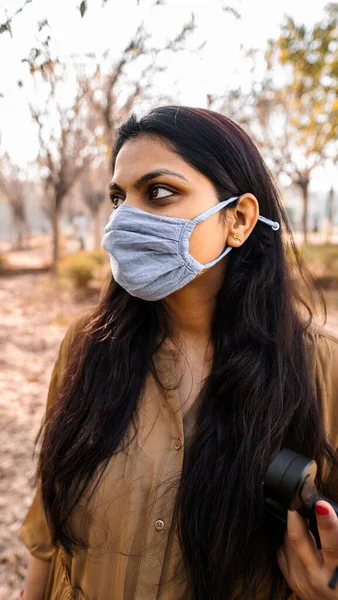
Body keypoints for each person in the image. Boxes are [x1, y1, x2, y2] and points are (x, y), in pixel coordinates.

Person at [18, 106, 338, 600]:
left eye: (159, 192)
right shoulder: (88, 343)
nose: (125, 219)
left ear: (239, 219)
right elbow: (49, 536)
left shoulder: (322, 368)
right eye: (119, 198)